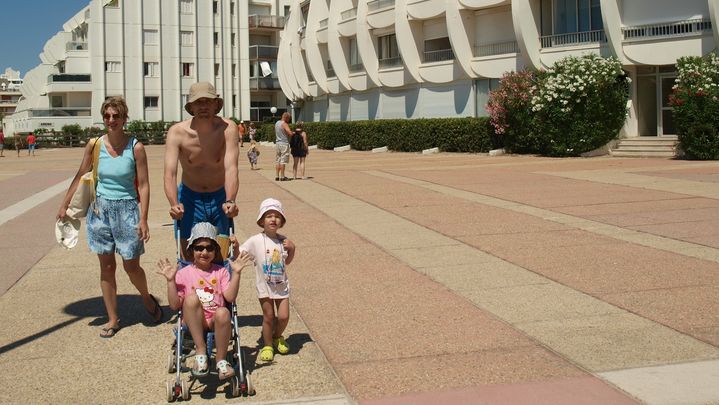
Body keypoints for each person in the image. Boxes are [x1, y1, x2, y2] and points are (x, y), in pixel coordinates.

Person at [56, 96, 160, 338]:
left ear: (124, 118)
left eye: (116, 116)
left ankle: (146, 298)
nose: (111, 120)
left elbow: (143, 185)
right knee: (107, 267)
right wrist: (64, 204)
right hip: (100, 210)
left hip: (127, 210)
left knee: (131, 267)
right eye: (107, 116)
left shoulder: (136, 147)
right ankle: (113, 319)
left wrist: (143, 218)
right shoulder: (95, 145)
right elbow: (81, 173)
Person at [156, 222, 252, 379]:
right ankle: (201, 352)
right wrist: (170, 281)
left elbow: (229, 297)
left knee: (223, 311)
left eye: (209, 248)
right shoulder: (184, 273)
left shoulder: (220, 271)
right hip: (194, 320)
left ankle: (221, 360)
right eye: (199, 248)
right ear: (191, 250)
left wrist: (237, 274)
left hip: (216, 320)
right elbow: (174, 305)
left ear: (215, 251)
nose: (204, 252)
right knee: (191, 299)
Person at [164, 82, 240, 259]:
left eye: (208, 101)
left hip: (220, 196)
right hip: (189, 198)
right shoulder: (177, 132)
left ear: (216, 104)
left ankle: (220, 286)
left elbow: (231, 168)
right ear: (191, 106)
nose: (203, 106)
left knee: (222, 254)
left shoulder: (228, 128)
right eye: (198, 102)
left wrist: (231, 199)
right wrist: (174, 203)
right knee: (187, 255)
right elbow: (170, 173)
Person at [235, 198, 295, 362]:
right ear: (262, 220)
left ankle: (277, 336)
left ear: (281, 221)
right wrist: (235, 245)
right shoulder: (255, 240)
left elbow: (287, 262)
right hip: (265, 286)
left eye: (277, 216)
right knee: (269, 316)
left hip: (281, 285)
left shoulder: (283, 241)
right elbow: (240, 254)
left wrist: (292, 248)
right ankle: (268, 344)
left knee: (283, 317)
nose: (273, 219)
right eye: (269, 216)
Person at [274, 112, 293, 181]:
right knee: (283, 160)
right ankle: (282, 176)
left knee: (278, 160)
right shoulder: (284, 124)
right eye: (289, 119)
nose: (289, 120)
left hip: (278, 143)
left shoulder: (277, 123)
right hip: (284, 143)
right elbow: (289, 132)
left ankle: (277, 175)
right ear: (286, 118)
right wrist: (293, 133)